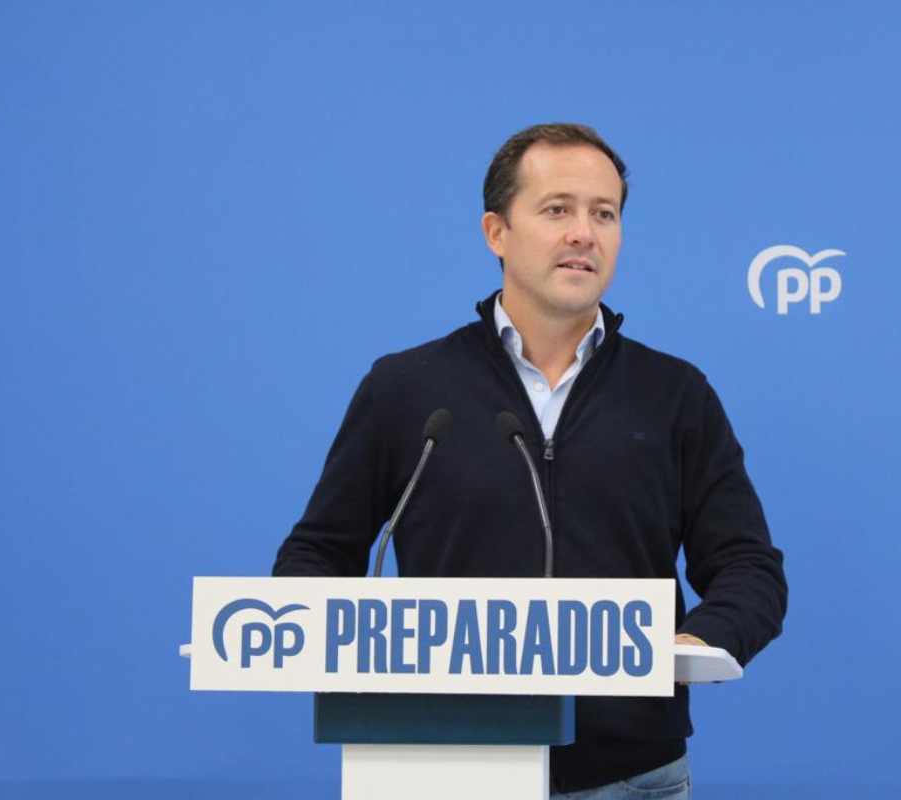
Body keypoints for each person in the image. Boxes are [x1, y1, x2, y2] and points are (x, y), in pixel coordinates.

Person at [273, 122, 787, 798]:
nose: (584, 232)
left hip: (630, 775)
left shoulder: (675, 394)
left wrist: (695, 643)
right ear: (496, 233)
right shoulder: (405, 390)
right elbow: (316, 555)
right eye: (557, 210)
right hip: (446, 765)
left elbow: (750, 568)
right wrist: (324, 635)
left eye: (604, 214)